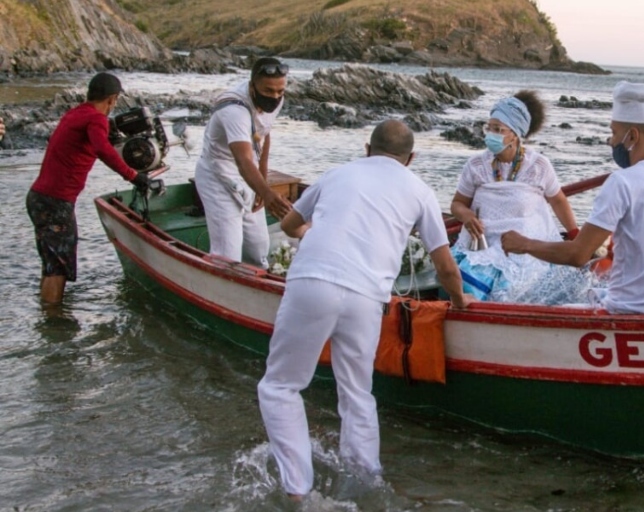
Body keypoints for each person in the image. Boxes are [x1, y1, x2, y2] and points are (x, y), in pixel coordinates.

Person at [257, 120, 473, 501]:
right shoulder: (420, 190)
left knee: (281, 386)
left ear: (366, 148)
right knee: (357, 393)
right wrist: (458, 302)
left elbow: (291, 226)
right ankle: (365, 482)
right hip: (367, 298)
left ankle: (297, 489)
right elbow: (445, 266)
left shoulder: (337, 173)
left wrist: (317, 233)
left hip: (314, 282)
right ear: (411, 158)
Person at [501, 81, 644, 315]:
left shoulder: (623, 182)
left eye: (614, 132)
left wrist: (523, 244)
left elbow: (578, 254)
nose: (611, 141)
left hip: (629, 310)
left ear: (632, 136)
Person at [26, 72, 151, 306]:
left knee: (52, 262)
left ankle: (46, 314)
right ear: (112, 99)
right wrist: (134, 176)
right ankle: (55, 324)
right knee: (58, 267)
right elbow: (102, 149)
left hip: (39, 198)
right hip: (56, 201)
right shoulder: (96, 120)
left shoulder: (76, 113)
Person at [447, 91, 579, 302]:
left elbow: (558, 200)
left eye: (498, 129)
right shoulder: (476, 165)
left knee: (519, 292)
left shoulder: (538, 166)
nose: (490, 134)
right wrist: (466, 217)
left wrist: (574, 235)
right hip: (486, 245)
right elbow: (457, 204)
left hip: (527, 248)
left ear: (515, 135)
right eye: (488, 127)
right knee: (462, 282)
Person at [194, 56, 292, 269]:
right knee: (227, 253)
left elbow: (264, 135)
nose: (275, 97)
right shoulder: (234, 109)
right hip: (218, 173)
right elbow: (243, 159)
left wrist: (262, 182)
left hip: (250, 173)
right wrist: (266, 193)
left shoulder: (276, 98)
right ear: (252, 86)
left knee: (258, 248)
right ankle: (220, 287)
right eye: (268, 91)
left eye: (280, 91)